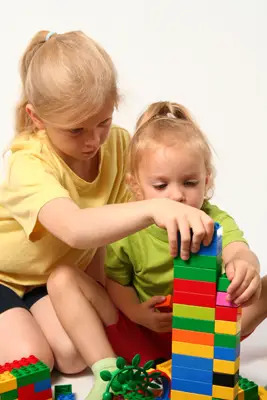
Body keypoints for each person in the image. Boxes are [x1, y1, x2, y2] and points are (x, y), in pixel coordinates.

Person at [0, 32, 214, 399]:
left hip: (48, 282)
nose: (92, 140)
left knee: (70, 357)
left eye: (102, 120)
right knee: (32, 358)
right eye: (76, 129)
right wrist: (154, 208)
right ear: (37, 118)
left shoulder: (115, 145)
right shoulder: (27, 162)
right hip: (5, 277)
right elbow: (77, 230)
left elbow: (111, 237)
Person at [47, 102, 263, 400]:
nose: (176, 195)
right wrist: (137, 313)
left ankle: (196, 366)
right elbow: (116, 283)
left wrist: (244, 264)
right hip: (142, 339)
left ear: (207, 181)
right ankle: (108, 372)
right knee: (61, 278)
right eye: (161, 185)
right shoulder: (130, 226)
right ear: (136, 187)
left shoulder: (214, 220)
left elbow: (239, 250)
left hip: (208, 341)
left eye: (190, 183)